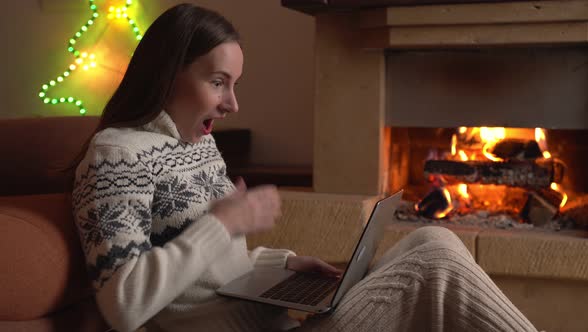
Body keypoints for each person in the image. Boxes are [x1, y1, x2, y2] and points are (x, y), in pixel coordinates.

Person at [72, 4, 539, 332]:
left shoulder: (197, 142)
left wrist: (283, 263)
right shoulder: (117, 156)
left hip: (274, 321)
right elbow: (124, 302)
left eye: (234, 84)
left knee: (429, 238)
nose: (233, 104)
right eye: (218, 83)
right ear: (167, 73)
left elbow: (210, 269)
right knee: (434, 255)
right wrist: (223, 221)